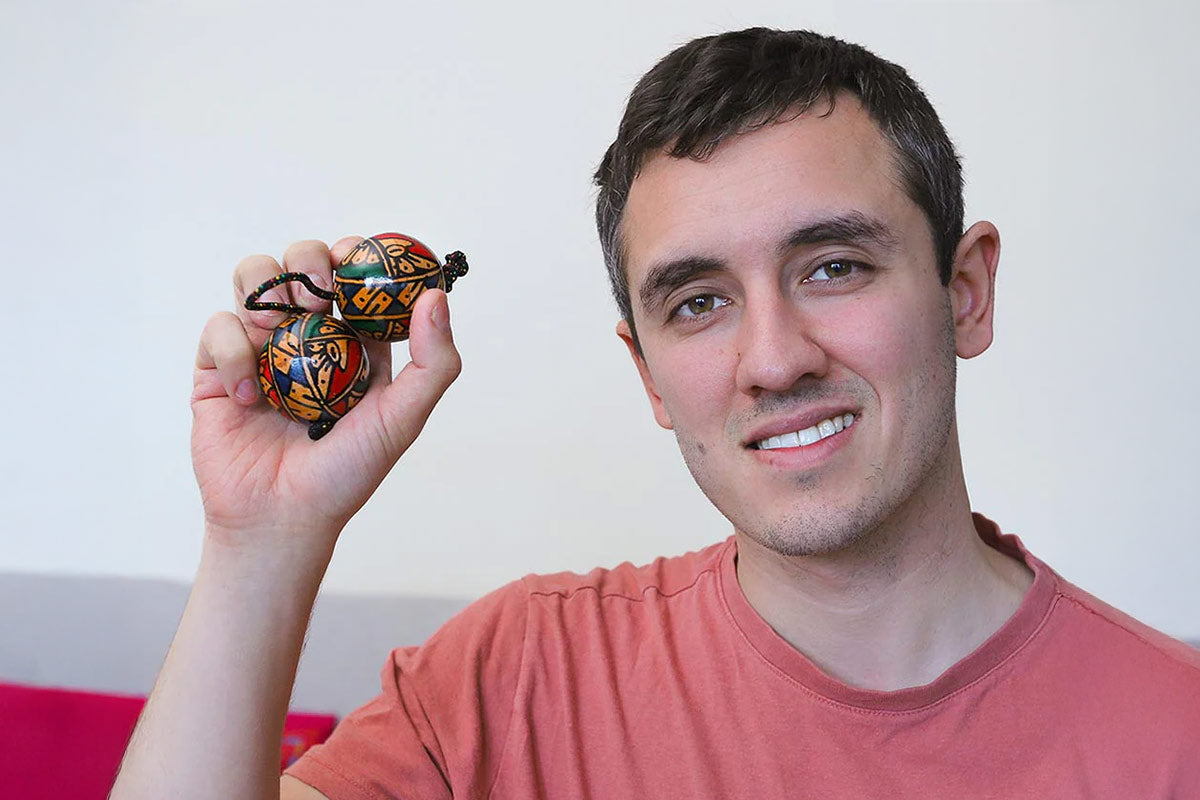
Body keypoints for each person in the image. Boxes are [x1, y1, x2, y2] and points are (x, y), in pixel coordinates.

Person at [111, 27, 1200, 799]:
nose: (773, 358)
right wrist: (261, 543)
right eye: (699, 300)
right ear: (646, 371)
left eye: (832, 266)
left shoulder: (1176, 733)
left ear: (966, 289)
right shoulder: (515, 674)